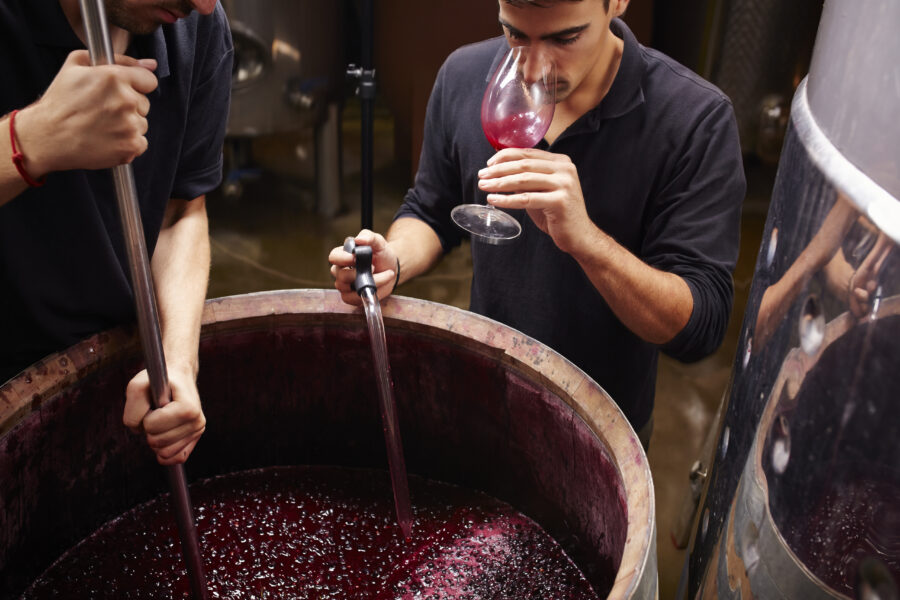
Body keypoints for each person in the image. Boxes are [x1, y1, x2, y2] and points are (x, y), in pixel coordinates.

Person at [330, 0, 745, 448]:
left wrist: (586, 241)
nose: (532, 69)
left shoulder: (695, 120)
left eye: (565, 38)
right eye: (515, 34)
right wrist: (396, 259)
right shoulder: (464, 75)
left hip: (599, 431)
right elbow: (431, 209)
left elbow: (697, 328)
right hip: (483, 399)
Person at [0, 0, 232, 464]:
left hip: (117, 363)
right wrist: (28, 142)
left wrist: (178, 360)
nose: (205, 5)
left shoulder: (199, 30)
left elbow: (180, 213)